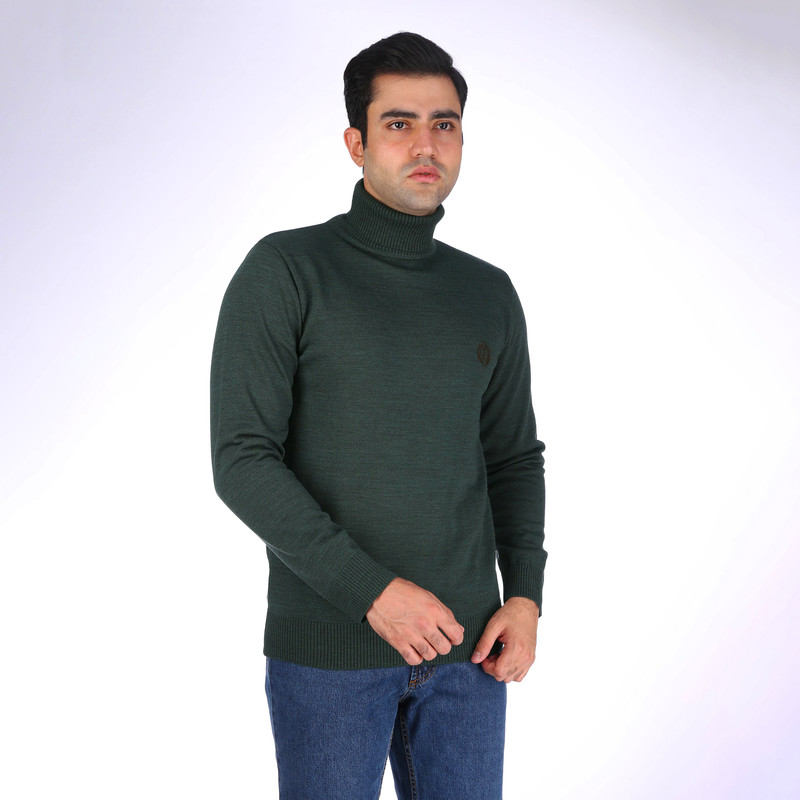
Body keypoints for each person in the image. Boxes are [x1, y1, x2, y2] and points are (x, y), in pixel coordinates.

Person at [210, 31, 547, 800]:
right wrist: (374, 592)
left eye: (444, 124)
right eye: (399, 123)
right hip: (330, 654)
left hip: (469, 653)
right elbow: (242, 460)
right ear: (356, 143)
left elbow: (512, 457)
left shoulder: (487, 291)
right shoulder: (286, 271)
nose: (426, 145)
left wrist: (525, 595)